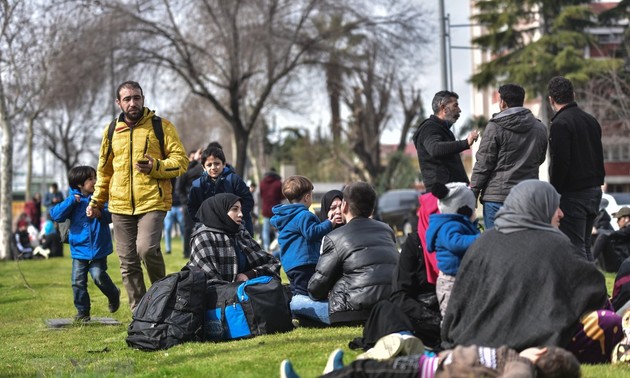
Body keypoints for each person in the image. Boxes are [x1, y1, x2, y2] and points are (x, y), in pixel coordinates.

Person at [442, 180, 623, 364]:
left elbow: (457, 305)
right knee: (608, 321)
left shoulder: (482, 242)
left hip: (474, 344)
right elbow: (595, 288)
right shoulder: (554, 244)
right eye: (555, 207)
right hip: (537, 346)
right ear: (540, 208)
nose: (561, 213)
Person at [87, 80, 188, 311]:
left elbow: (181, 162)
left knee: (146, 249)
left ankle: (164, 300)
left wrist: (156, 166)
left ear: (143, 98)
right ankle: (140, 312)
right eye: (127, 99)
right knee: (128, 262)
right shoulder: (111, 130)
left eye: (137, 97)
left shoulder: (161, 126)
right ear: (118, 102)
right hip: (120, 206)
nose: (133, 102)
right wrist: (96, 201)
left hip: (153, 200)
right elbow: (104, 171)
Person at [411, 90, 479, 286]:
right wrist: (465, 143)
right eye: (455, 105)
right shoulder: (430, 129)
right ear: (442, 107)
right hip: (442, 200)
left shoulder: (440, 128)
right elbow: (435, 149)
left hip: (451, 198)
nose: (459, 110)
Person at [280, 334, 581, 378]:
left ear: (540, 352)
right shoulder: (512, 358)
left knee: (365, 372)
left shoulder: (520, 366)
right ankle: (338, 372)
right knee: (367, 368)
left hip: (423, 373)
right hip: (427, 363)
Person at [308, 181, 399, 325]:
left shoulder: (335, 237)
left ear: (344, 206)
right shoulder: (387, 230)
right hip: (389, 307)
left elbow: (316, 288)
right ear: (372, 208)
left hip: (350, 311)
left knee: (296, 302)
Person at [470, 83, 548, 229]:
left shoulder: (495, 127)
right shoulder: (540, 128)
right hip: (527, 195)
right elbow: (540, 158)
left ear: (502, 102)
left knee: (497, 246)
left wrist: (473, 191)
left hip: (497, 198)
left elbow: (484, 163)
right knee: (524, 245)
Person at [50, 166, 120, 322]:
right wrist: (70, 201)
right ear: (80, 184)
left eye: (95, 177)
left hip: (99, 246)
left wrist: (99, 212)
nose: (95, 181)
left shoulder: (100, 197)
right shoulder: (72, 200)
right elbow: (55, 215)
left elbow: (111, 215)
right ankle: (83, 312)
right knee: (77, 281)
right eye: (90, 179)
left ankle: (113, 294)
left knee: (98, 275)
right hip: (79, 248)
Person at [548, 76, 605, 261]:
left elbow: (561, 162)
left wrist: (554, 193)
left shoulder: (560, 124)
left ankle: (585, 289)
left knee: (575, 248)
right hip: (594, 190)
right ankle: (594, 289)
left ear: (551, 99)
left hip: (573, 194)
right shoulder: (591, 120)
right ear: (573, 95)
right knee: (585, 246)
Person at [271, 175, 334, 324]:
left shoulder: (286, 216)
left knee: (297, 290)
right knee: (307, 292)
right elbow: (312, 233)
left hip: (290, 264)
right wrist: (329, 223)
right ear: (307, 197)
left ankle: (297, 316)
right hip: (304, 261)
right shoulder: (304, 215)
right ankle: (300, 316)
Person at [187, 193, 281, 283]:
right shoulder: (203, 238)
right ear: (220, 211)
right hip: (218, 298)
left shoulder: (240, 234)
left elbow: (272, 263)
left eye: (240, 209)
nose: (241, 214)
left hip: (249, 295)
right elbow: (209, 282)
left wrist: (250, 274)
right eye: (235, 209)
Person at [425, 182, 480, 317]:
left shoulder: (459, 223)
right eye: (471, 208)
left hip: (461, 277)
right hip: (450, 281)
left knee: (466, 314)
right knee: (451, 315)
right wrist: (479, 239)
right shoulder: (449, 225)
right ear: (461, 208)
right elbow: (456, 243)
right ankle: (448, 337)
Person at [188, 146, 255, 236]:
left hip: (236, 228)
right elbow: (192, 207)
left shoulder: (234, 180)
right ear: (203, 167)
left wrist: (238, 216)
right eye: (209, 165)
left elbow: (248, 200)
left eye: (217, 163)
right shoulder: (197, 185)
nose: (213, 167)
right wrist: (201, 222)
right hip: (208, 229)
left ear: (224, 164)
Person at [177, 148, 203, 258]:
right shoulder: (186, 170)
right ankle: (186, 252)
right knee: (188, 228)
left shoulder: (202, 168)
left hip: (201, 204)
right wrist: (186, 202)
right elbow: (179, 189)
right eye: (191, 158)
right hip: (189, 204)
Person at [593, 207, 630, 273]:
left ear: (626, 219)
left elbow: (614, 234)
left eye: (619, 219)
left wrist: (597, 231)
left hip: (620, 264)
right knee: (600, 236)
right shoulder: (624, 230)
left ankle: (589, 261)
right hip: (618, 262)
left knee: (603, 236)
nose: (617, 222)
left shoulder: (628, 230)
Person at [259, 168, 283, 251]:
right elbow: (282, 196)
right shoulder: (278, 183)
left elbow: (261, 195)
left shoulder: (262, 183)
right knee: (278, 230)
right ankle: (279, 248)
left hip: (265, 210)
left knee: (265, 230)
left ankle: (266, 248)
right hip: (276, 210)